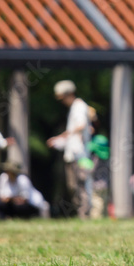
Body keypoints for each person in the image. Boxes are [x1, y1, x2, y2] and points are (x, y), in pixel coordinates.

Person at [46, 80, 91, 219]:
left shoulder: (79, 106)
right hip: (72, 154)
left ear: (70, 94)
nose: (62, 101)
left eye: (63, 97)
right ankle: (81, 213)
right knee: (73, 186)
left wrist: (61, 136)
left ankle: (85, 214)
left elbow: (81, 125)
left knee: (80, 185)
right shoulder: (74, 108)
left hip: (80, 154)